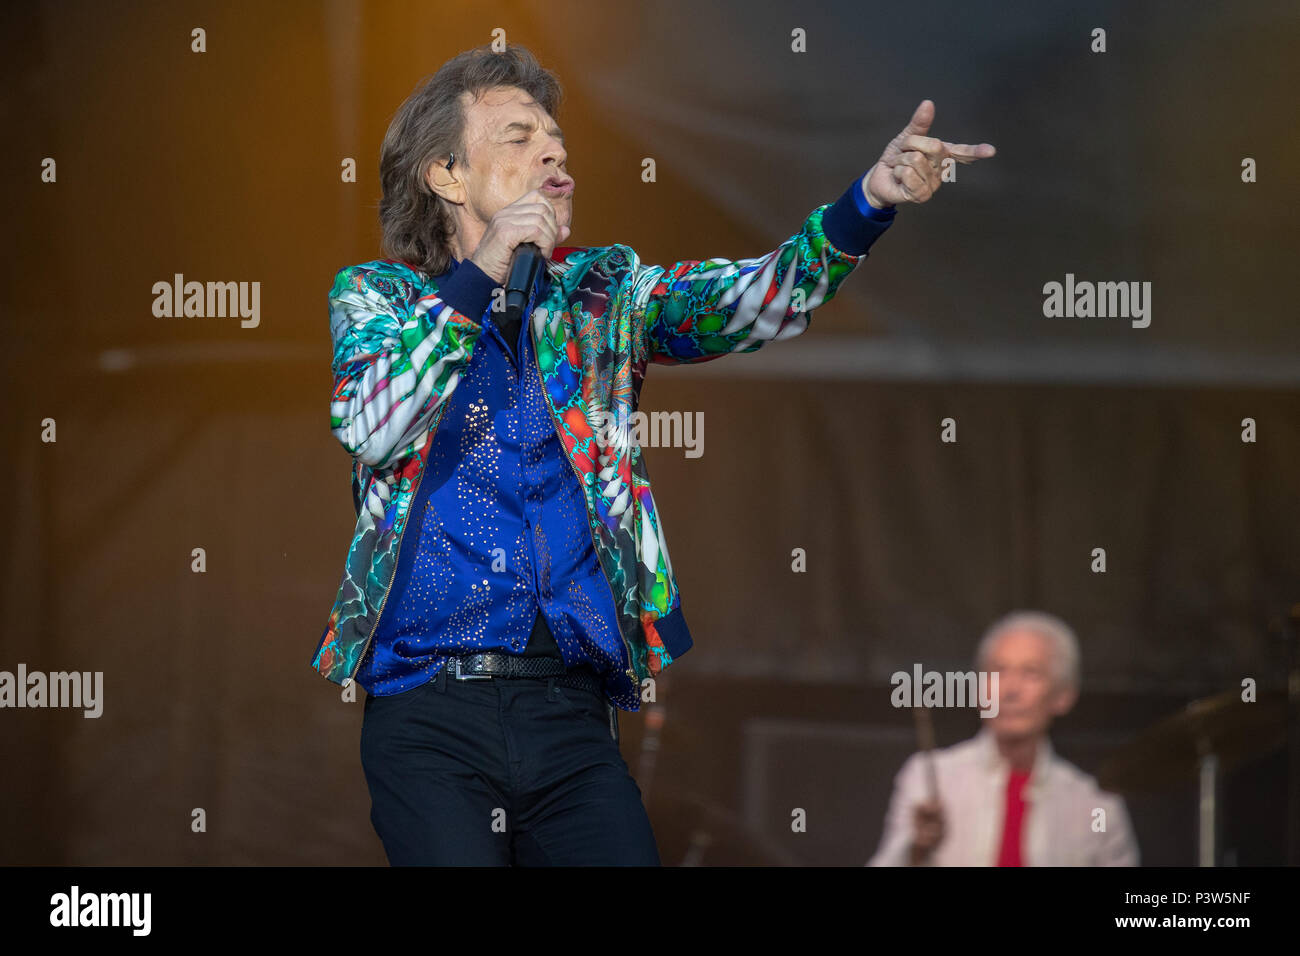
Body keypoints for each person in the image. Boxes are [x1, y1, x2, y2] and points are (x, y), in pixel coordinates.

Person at [308, 43, 995, 865]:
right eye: (520, 136)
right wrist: (485, 272)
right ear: (447, 176)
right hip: (429, 712)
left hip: (571, 713)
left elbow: (753, 301)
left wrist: (867, 204)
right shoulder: (378, 298)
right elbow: (373, 423)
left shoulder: (606, 294)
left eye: (556, 139)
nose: (554, 152)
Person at [867, 611, 1139, 866]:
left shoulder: (1095, 805)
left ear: (1063, 695)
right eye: (997, 672)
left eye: (1030, 673)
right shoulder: (930, 777)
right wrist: (916, 849)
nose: (1010, 690)